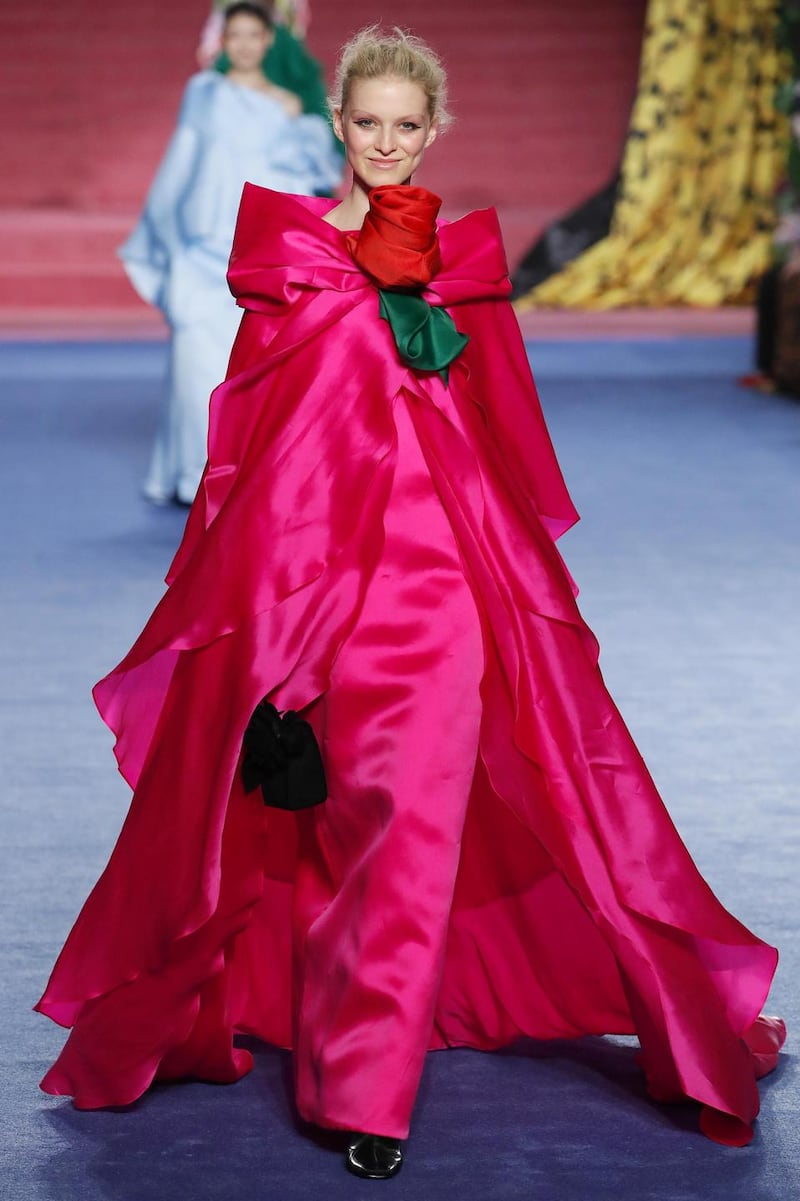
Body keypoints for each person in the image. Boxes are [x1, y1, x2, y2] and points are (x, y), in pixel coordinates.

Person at [38, 26, 784, 1182]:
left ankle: (366, 1097)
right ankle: (350, 1051)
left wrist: (513, 584)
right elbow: (252, 455)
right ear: (337, 124)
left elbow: (500, 437)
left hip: (442, 597)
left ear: (434, 132)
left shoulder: (463, 268)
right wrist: (266, 644)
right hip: (317, 599)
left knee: (411, 817)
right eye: (367, 123)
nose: (385, 142)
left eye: (406, 125)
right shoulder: (288, 264)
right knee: (334, 828)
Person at [120, 2, 341, 506]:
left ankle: (248, 477)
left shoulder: (289, 107)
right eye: (233, 35)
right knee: (195, 364)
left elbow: (312, 178)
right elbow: (181, 163)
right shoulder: (204, 94)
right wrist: (167, 234)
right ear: (223, 42)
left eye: (252, 35)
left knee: (256, 366)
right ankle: (192, 476)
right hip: (201, 251)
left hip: (260, 254)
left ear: (268, 40)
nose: (243, 44)